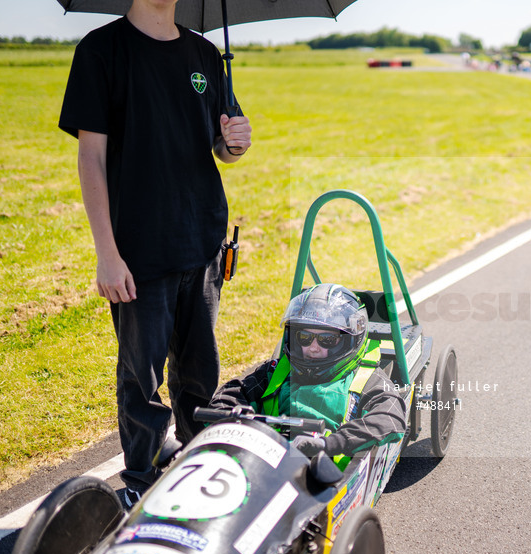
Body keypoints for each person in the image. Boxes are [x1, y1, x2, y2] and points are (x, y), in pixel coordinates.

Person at [58, 0, 253, 510]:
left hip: (204, 240)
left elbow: (221, 146)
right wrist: (107, 254)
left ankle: (198, 471)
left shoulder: (207, 54)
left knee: (199, 374)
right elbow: (91, 157)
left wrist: (236, 142)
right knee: (140, 381)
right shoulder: (102, 51)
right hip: (138, 250)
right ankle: (140, 482)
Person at [209, 283, 406, 458]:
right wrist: (235, 421)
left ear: (349, 340)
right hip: (267, 460)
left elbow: (390, 417)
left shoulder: (366, 378)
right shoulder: (278, 370)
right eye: (304, 337)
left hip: (329, 472)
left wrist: (328, 445)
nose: (313, 348)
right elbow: (232, 393)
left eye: (326, 339)